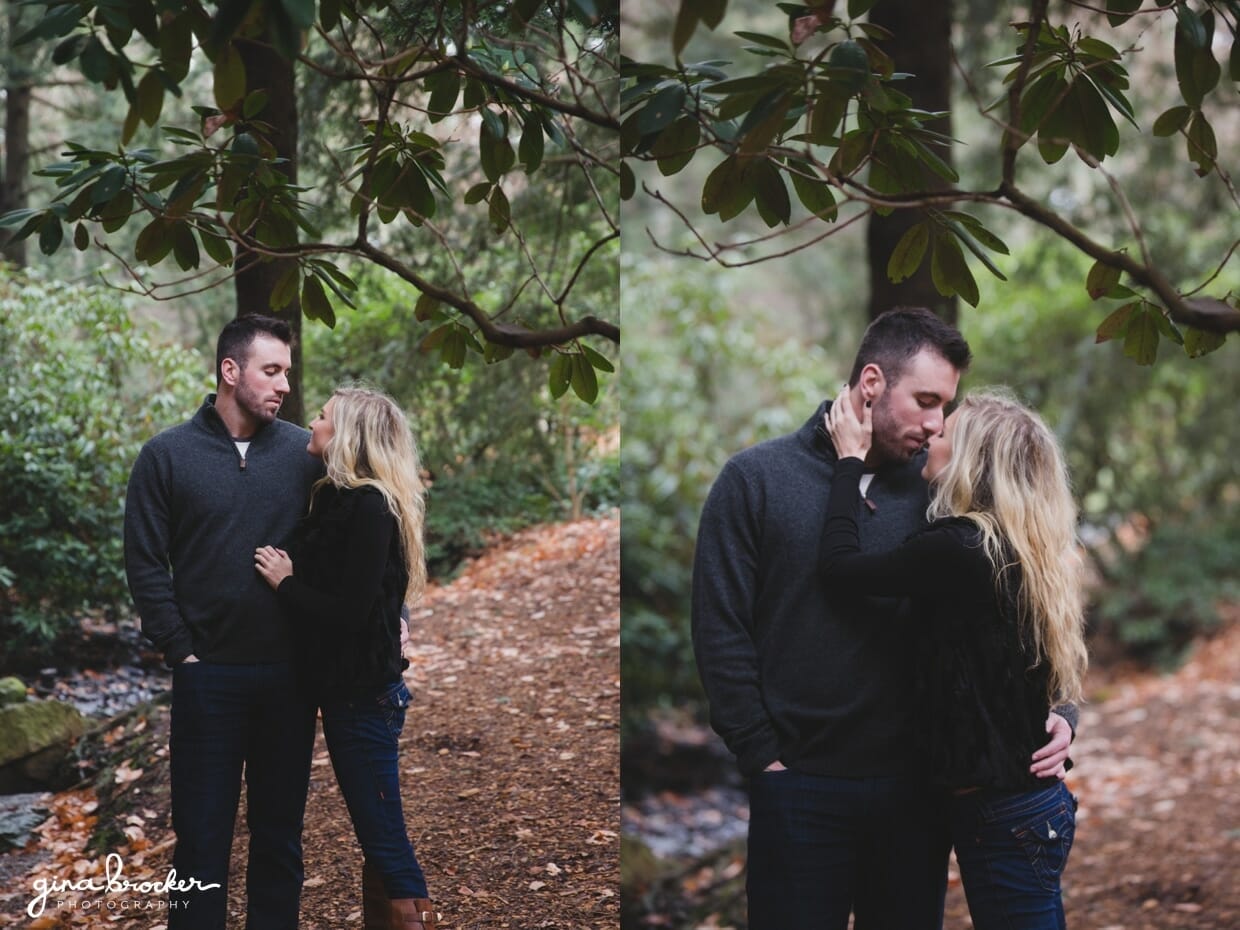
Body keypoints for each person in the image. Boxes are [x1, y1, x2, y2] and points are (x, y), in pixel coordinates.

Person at [690, 307, 1075, 930]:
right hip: (800, 786)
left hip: (917, 794)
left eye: (945, 407)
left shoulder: (942, 490)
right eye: (926, 400)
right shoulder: (755, 480)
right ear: (872, 384)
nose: (936, 423)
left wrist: (1062, 710)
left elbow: (1026, 593)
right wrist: (762, 757)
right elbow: (720, 628)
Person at [820, 387, 1088, 929]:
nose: (930, 434)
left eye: (943, 432)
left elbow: (840, 568)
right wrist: (1067, 716)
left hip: (1005, 811)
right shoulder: (1019, 547)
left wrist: (848, 461)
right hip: (1027, 805)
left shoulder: (956, 548)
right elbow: (1033, 672)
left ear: (971, 459)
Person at [124, 315, 324, 928]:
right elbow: (144, 561)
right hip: (206, 677)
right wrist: (180, 649)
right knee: (200, 844)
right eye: (272, 370)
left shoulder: (304, 452)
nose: (284, 383)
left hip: (290, 678)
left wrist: (391, 613)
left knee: (279, 840)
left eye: (287, 371)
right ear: (229, 372)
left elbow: (358, 539)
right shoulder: (166, 456)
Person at [254, 386, 439, 930]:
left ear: (348, 435)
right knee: (376, 833)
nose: (311, 422)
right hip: (345, 694)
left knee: (385, 835)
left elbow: (352, 612)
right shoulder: (337, 498)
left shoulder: (369, 507)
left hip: (363, 697)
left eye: (323, 417)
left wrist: (286, 584)